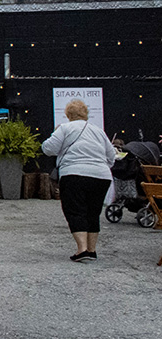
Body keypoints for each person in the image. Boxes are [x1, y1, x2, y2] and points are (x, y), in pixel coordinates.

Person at [42, 99, 116, 262]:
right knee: (93, 212)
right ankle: (92, 250)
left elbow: (48, 149)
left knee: (75, 210)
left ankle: (81, 250)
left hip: (74, 173)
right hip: (101, 175)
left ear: (68, 114)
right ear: (86, 114)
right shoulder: (98, 131)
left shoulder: (64, 128)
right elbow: (111, 156)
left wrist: (55, 133)